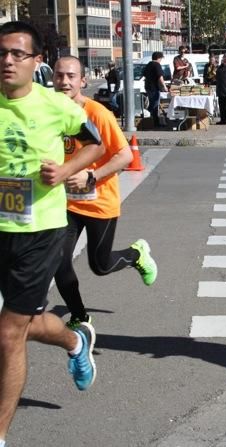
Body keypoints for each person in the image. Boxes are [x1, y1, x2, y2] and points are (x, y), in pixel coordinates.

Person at [0, 21, 105, 444]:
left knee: (8, 333)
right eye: (1, 53)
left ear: (36, 62)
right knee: (18, 325)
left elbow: (96, 143)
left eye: (17, 54)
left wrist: (67, 169)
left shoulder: (57, 106)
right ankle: (75, 342)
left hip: (38, 230)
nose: (7, 61)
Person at [52, 55, 158, 329]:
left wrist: (91, 176)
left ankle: (137, 254)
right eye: (59, 75)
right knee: (59, 262)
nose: (64, 81)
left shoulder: (98, 114)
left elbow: (124, 156)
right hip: (66, 204)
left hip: (99, 202)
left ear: (82, 81)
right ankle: (79, 315)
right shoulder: (50, 112)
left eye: (71, 76)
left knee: (100, 266)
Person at [142, 51, 168, 128]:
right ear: (158, 58)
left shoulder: (148, 65)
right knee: (155, 105)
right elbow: (160, 77)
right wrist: (164, 87)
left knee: (152, 103)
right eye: (161, 58)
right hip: (154, 87)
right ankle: (153, 121)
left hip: (148, 87)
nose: (161, 60)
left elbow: (144, 74)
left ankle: (150, 120)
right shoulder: (157, 65)